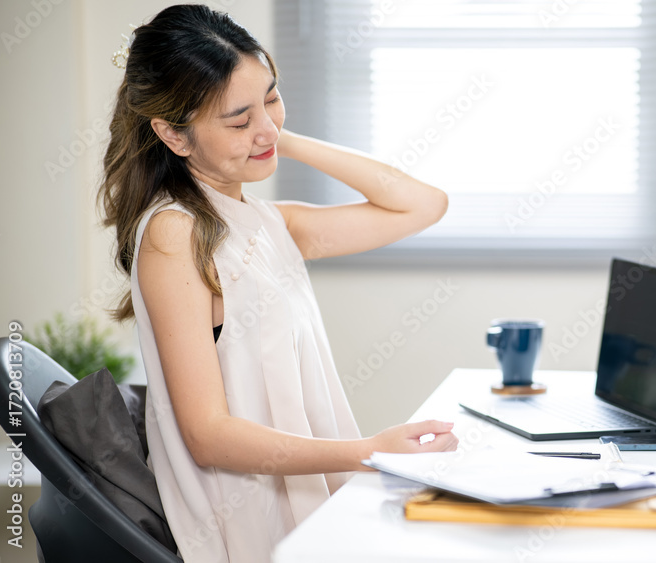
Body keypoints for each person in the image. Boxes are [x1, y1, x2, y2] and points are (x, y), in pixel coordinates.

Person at [97, 5, 458, 562]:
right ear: (174, 135)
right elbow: (207, 435)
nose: (265, 125)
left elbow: (424, 205)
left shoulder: (268, 223)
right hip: (244, 513)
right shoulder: (173, 234)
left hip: (297, 491)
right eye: (237, 120)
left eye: (271, 97)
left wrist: (271, 136)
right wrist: (367, 451)